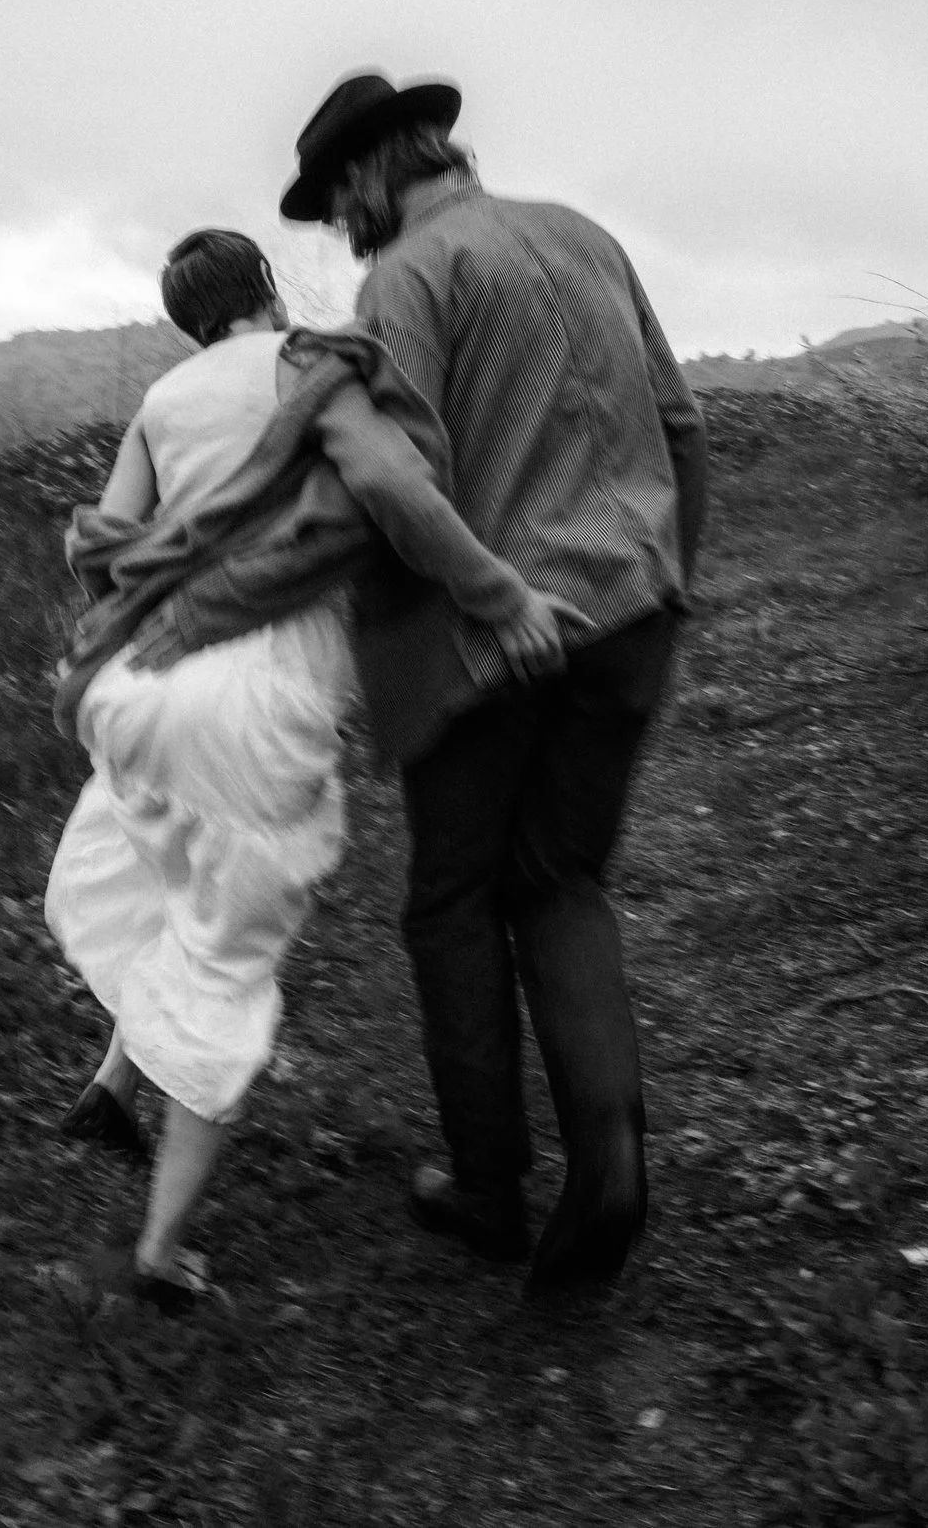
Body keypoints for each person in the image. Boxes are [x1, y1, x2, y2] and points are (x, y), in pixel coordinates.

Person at [42, 228, 579, 1312]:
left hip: (139, 681)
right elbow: (391, 490)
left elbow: (97, 542)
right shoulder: (311, 365)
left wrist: (187, 551)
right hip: (259, 692)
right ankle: (159, 1250)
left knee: (159, 874)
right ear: (269, 288)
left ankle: (109, 1082)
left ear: (183, 319)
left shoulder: (162, 399)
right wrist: (496, 595)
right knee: (226, 958)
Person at [277, 70, 709, 1297]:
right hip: (630, 610)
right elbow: (680, 428)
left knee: (454, 898)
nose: (335, 226)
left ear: (371, 173)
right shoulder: (584, 234)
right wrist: (666, 575)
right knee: (560, 878)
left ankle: (487, 1182)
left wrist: (491, 597)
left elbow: (399, 478)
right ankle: (610, 1163)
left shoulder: (406, 278)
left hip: (497, 636)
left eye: (333, 200)